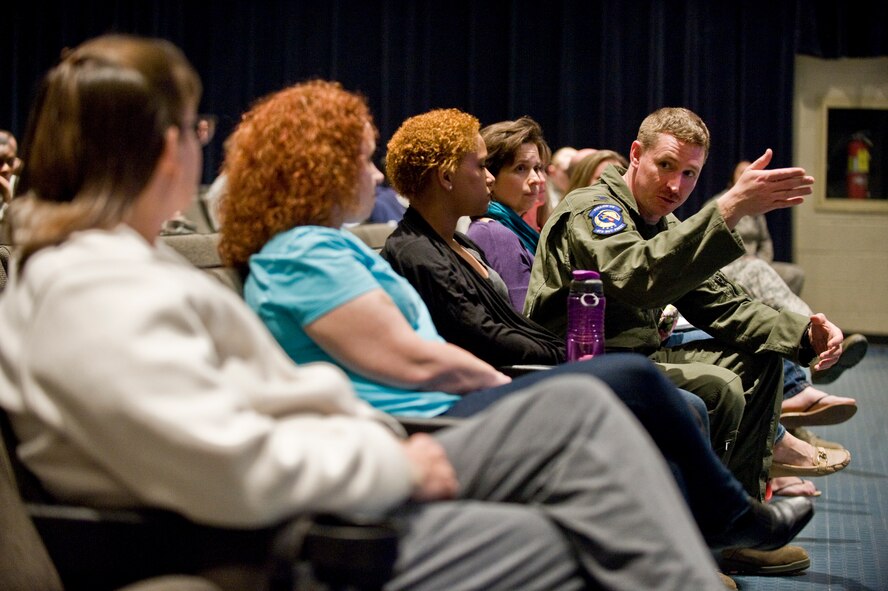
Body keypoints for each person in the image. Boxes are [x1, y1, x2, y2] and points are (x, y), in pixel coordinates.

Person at [0, 36, 745, 591]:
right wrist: (389, 459)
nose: (204, 146)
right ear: (167, 149)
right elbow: (222, 463)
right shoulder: (89, 290)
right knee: (572, 520)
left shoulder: (107, 271)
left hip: (322, 477)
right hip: (275, 539)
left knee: (582, 421)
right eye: (199, 130)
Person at [216, 86, 815, 580]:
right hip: (429, 421)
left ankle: (717, 534)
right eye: (362, 158)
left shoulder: (339, 248)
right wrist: (520, 377)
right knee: (627, 382)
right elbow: (417, 363)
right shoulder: (304, 253)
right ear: (314, 167)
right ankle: (733, 520)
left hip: (456, 406)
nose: (376, 174)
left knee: (618, 411)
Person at [526, 105, 852, 499]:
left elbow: (721, 303)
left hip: (637, 358)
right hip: (580, 362)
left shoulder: (661, 222)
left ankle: (741, 519)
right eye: (665, 165)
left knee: (763, 361)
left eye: (689, 174)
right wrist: (728, 208)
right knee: (722, 387)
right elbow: (638, 277)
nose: (675, 186)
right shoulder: (594, 210)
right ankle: (703, 529)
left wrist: (804, 334)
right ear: (635, 154)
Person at [714, 160, 869, 385]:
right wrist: (750, 261)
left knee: (793, 274)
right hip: (728, 267)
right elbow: (710, 244)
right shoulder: (720, 203)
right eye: (743, 172)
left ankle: (793, 332)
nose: (750, 175)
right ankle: (817, 345)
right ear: (732, 180)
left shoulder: (756, 207)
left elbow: (765, 242)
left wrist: (763, 261)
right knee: (757, 270)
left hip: (756, 264)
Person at [463, 116, 549, 311]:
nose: (536, 179)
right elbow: (525, 317)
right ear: (491, 177)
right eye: (521, 168)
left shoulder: (507, 228)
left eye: (537, 168)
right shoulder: (494, 233)